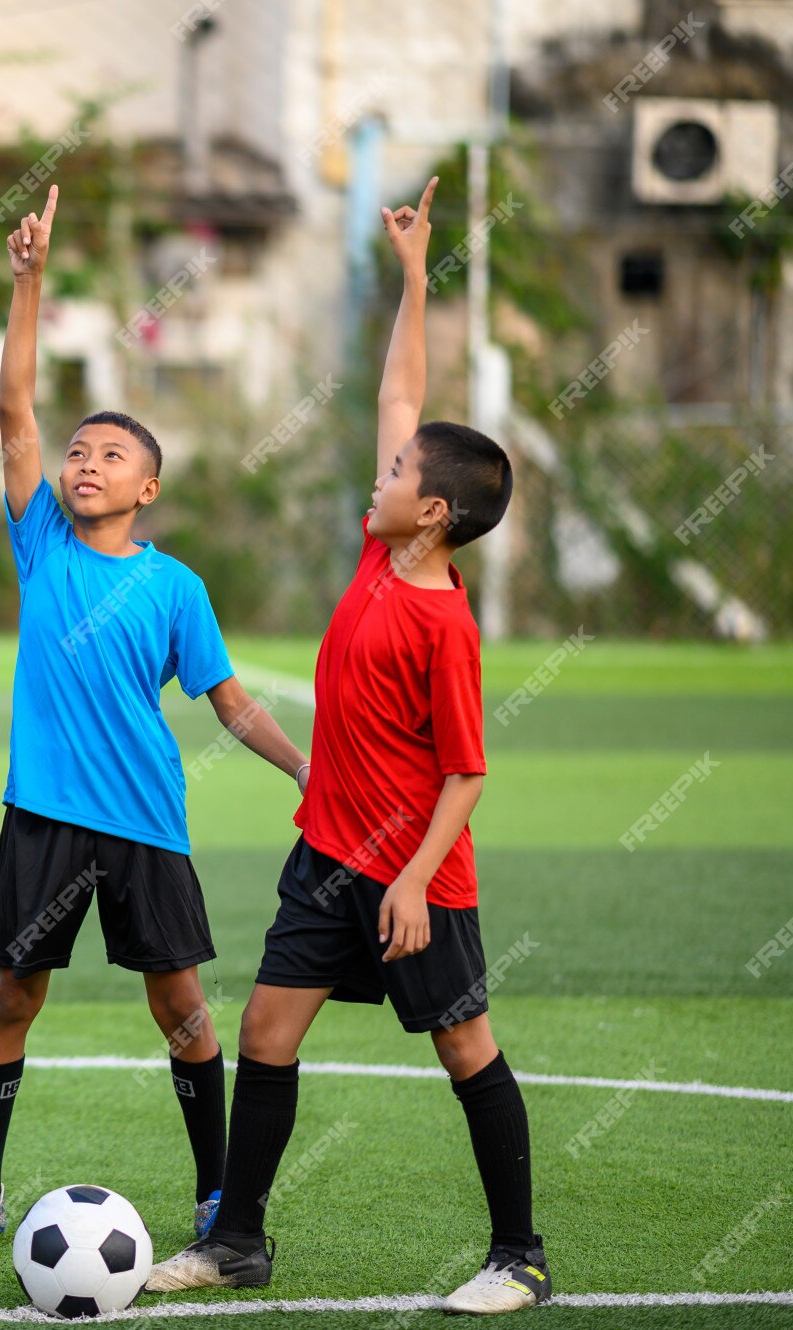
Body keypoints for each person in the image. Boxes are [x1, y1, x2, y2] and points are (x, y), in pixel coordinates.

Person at [144, 178, 548, 1316]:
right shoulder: (381, 559)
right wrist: (417, 276)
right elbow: (400, 395)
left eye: (392, 478)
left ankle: (517, 1253)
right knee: (268, 1029)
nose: (377, 477)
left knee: (464, 1047)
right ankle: (237, 1240)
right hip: (328, 852)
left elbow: (467, 772)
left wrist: (416, 878)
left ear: (431, 514)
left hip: (415, 873)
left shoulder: (441, 621)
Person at [0, 185, 309, 1254]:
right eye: (77, 452)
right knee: (10, 998)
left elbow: (228, 702)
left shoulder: (175, 587)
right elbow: (11, 410)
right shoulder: (38, 539)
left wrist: (298, 770)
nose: (82, 464)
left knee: (183, 1012)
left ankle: (216, 1200)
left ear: (146, 487)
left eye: (108, 457)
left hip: (144, 820)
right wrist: (26, 279)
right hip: (42, 814)